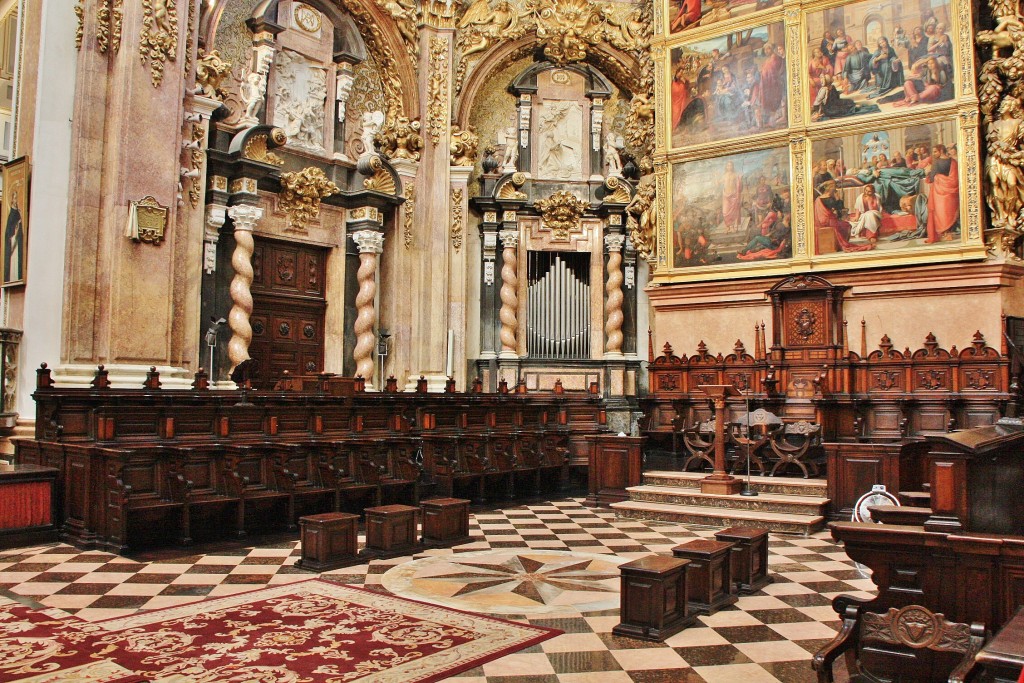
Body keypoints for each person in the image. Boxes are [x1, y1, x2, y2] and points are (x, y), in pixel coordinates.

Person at [924, 144, 960, 242]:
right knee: (949, 212)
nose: (934, 153)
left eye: (935, 151)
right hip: (951, 192)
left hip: (939, 192)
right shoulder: (953, 161)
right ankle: (949, 233)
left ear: (941, 151)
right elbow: (955, 177)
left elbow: (931, 178)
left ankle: (945, 234)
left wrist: (928, 172)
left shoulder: (937, 162)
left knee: (940, 212)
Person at [3, 189, 22, 283]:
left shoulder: (18, 212)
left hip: (18, 243)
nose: (16, 200)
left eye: (17, 198)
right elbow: (9, 233)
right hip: (13, 244)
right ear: (12, 200)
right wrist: (17, 230)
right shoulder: (11, 215)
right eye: (15, 198)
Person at [721, 160, 743, 231]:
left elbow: (739, 186)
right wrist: (714, 176)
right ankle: (728, 226)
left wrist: (740, 179)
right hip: (726, 196)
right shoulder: (724, 176)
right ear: (726, 167)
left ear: (733, 166)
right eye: (728, 165)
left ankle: (732, 226)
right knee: (725, 212)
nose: (729, 167)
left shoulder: (735, 175)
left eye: (731, 165)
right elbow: (717, 183)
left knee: (733, 212)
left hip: (733, 195)